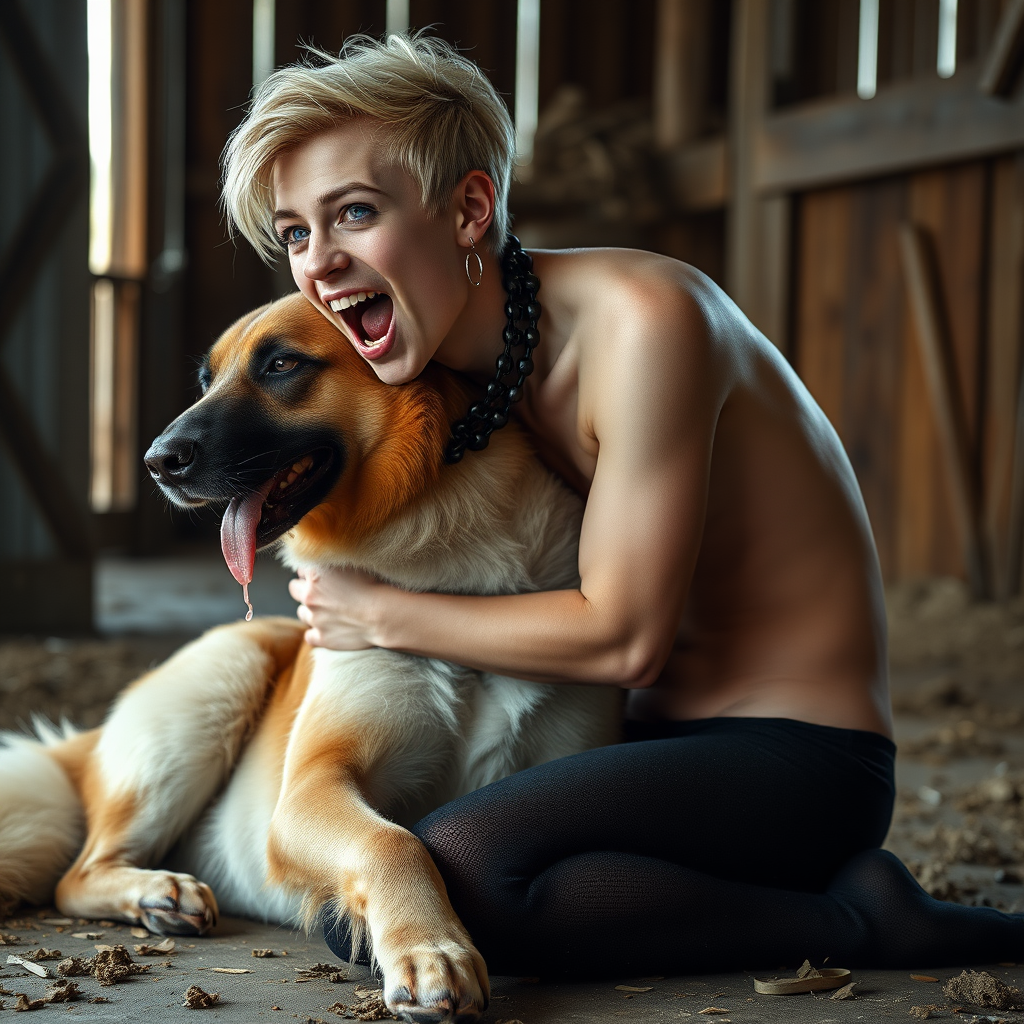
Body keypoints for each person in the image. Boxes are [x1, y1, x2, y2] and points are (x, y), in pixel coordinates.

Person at [221, 33, 1021, 975]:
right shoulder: (453, 367)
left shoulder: (643, 321)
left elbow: (627, 638)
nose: (321, 263)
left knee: (461, 869)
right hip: (640, 742)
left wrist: (381, 613)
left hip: (795, 752)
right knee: (360, 906)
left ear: (471, 208)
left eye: (354, 213)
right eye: (297, 234)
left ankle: (864, 922)